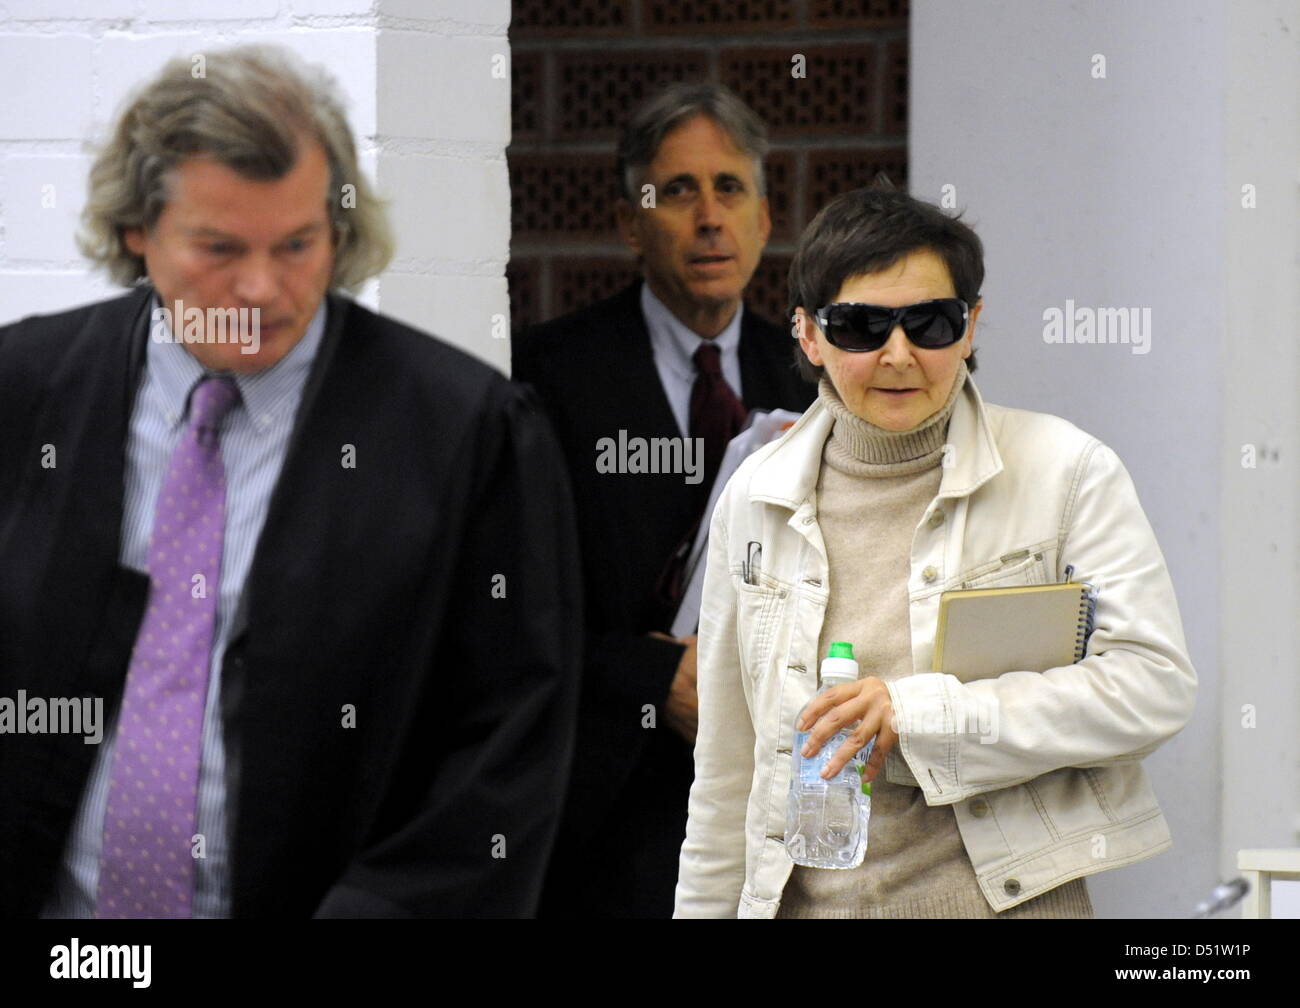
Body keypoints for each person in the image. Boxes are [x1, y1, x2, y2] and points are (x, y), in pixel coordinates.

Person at [0, 44, 580, 918]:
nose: (261, 288)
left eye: (298, 244)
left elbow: (510, 742)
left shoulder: (465, 434)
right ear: (137, 230)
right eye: (219, 247)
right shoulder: (26, 392)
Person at [673, 187, 1197, 918]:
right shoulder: (756, 496)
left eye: (930, 323)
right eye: (860, 327)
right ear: (809, 335)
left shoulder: (1066, 470)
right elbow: (727, 773)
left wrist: (919, 715)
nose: (899, 355)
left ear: (971, 327)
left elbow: (1152, 686)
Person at [513, 82, 814, 917]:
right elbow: (507, 608)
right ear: (630, 224)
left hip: (777, 807)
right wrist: (651, 677)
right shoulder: (545, 378)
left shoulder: (814, 375)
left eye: (730, 189)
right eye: (677, 191)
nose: (709, 217)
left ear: (764, 218)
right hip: (609, 815)